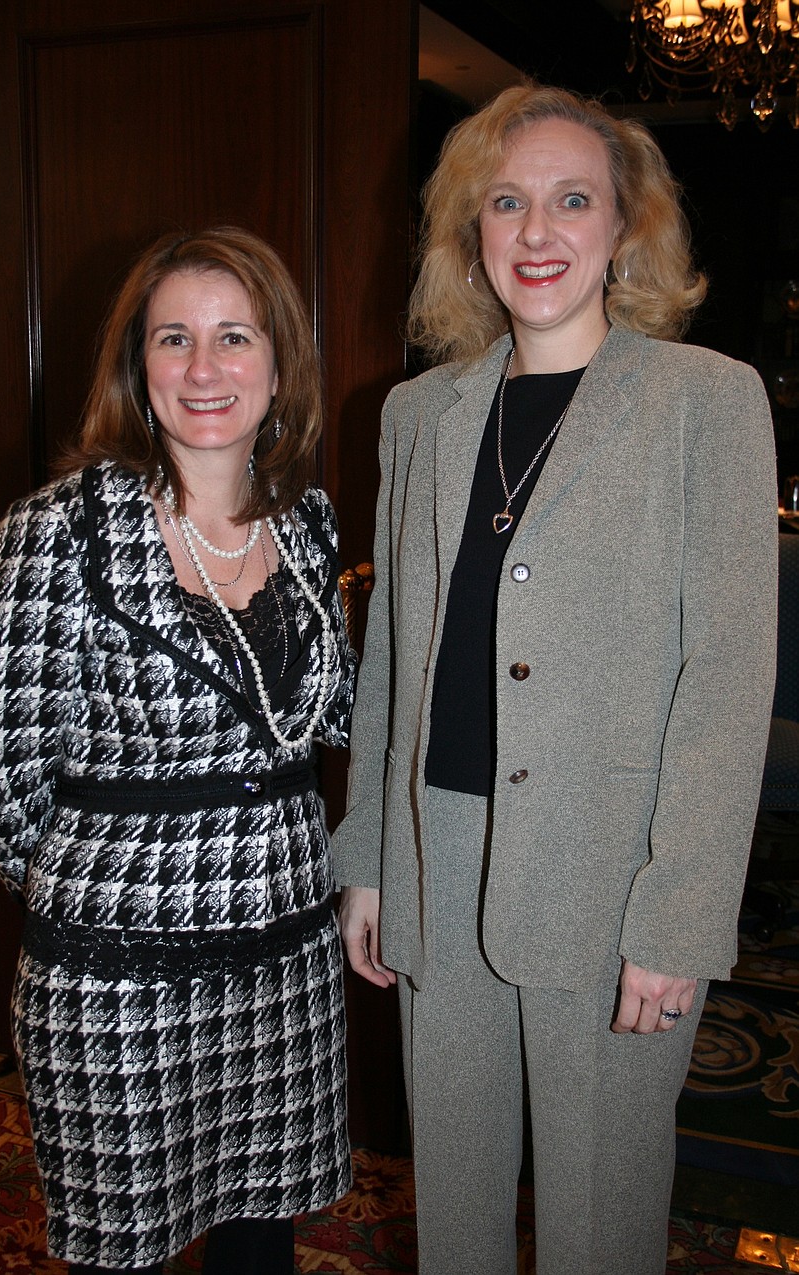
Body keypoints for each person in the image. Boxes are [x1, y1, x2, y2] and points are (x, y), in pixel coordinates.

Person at [333, 83, 777, 1275]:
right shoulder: (418, 414)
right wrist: (371, 855)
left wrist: (677, 916)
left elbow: (727, 679)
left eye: (571, 201)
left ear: (625, 228)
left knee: (598, 1229)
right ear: (470, 236)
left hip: (612, 878)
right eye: (507, 204)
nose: (537, 233)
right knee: (459, 1223)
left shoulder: (706, 404)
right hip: (440, 860)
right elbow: (393, 658)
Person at [0, 226, 357, 1274]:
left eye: (234, 337)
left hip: (285, 961)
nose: (205, 368)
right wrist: (94, 888)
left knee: (260, 1242)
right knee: (119, 1248)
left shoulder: (309, 527)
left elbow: (337, 715)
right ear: (139, 367)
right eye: (174, 339)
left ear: (278, 368)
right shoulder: (60, 531)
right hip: (117, 979)